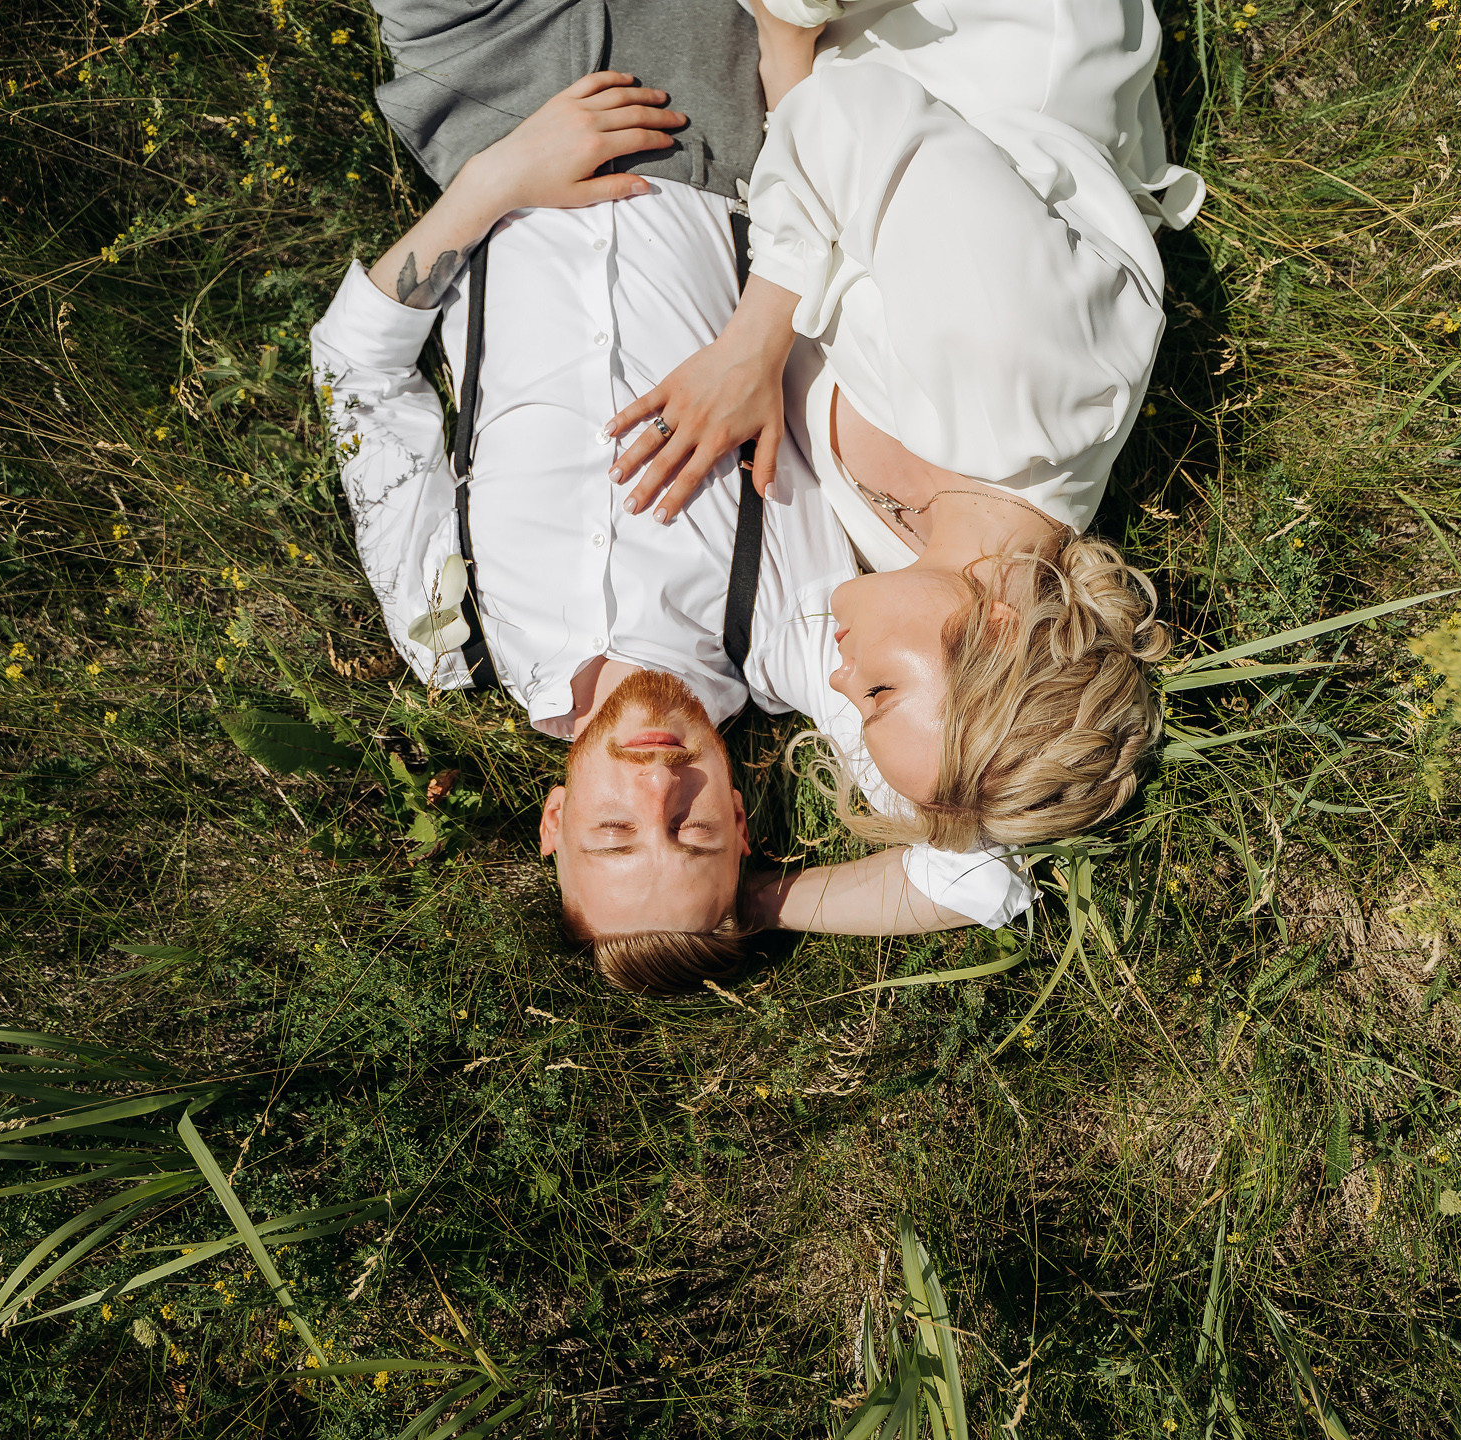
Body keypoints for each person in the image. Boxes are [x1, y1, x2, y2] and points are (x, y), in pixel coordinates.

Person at [311, 5, 1034, 992]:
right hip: (706, 119)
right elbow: (978, 877)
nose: (657, 787)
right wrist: (762, 903)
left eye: (614, 832)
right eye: (694, 832)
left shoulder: (449, 630)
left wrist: (492, 184)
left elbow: (354, 375)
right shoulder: (794, 644)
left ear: (554, 823)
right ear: (741, 824)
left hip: (489, 100)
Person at [605, 0, 1202, 854]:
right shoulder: (1033, 380)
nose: (841, 677)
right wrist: (752, 347)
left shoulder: (912, 552)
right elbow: (860, 118)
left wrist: (786, 58)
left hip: (821, 67)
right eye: (879, 692)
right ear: (994, 627)